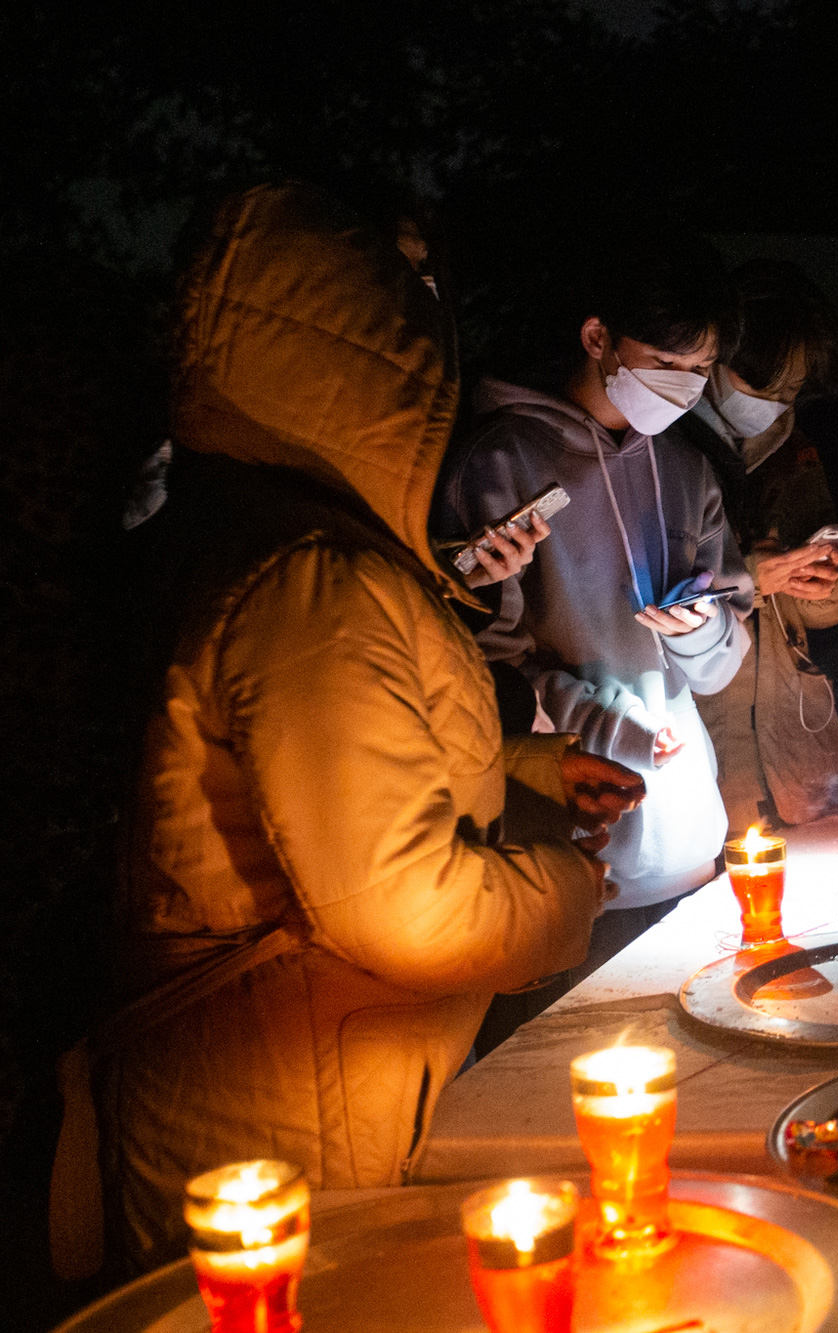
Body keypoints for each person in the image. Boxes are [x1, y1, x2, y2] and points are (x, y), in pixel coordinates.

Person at [97, 184, 643, 1274]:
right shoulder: (310, 577)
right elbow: (408, 912)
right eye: (416, 313)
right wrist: (572, 891)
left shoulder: (285, 543)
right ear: (366, 356)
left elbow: (330, 762)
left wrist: (528, 765)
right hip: (289, 1133)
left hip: (301, 1098)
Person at [432, 231, 753, 1011]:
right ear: (598, 338)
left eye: (700, 370)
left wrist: (700, 628)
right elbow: (488, 670)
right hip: (579, 845)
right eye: (667, 363)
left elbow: (720, 664)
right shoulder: (503, 462)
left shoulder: (685, 469)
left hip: (692, 842)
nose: (684, 388)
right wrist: (608, 726)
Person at [675, 260, 838, 833]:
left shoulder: (791, 450)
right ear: (714, 358)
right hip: (704, 747)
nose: (777, 403)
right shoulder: (662, 448)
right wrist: (747, 578)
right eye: (764, 385)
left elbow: (836, 606)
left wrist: (827, 583)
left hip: (791, 745)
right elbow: (644, 604)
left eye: (793, 389)